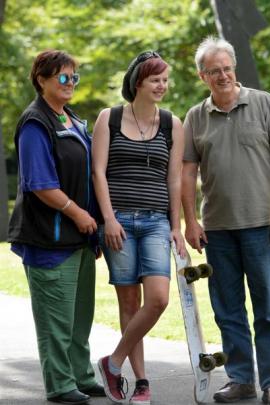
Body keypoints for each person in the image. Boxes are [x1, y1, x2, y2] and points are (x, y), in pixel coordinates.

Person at [182, 37, 270, 405]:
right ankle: (241, 379)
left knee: (267, 307)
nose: (222, 75)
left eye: (227, 68)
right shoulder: (195, 116)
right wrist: (190, 221)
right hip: (216, 229)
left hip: (261, 224)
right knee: (227, 309)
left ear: (235, 68)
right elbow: (187, 174)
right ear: (203, 76)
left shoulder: (264, 103)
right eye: (214, 71)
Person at [7, 50, 105, 405]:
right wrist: (77, 212)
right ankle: (60, 384)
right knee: (56, 321)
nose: (70, 84)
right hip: (50, 238)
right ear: (42, 79)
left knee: (80, 319)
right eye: (63, 77)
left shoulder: (71, 118)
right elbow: (39, 183)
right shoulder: (36, 122)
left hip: (80, 239)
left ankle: (82, 375)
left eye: (74, 77)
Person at [92, 51, 185, 404]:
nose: (162, 86)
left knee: (158, 299)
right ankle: (141, 382)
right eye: (155, 80)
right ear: (138, 83)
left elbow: (173, 178)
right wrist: (109, 219)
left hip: (155, 221)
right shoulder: (109, 118)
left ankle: (112, 363)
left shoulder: (171, 124)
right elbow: (98, 172)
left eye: (165, 79)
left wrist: (175, 226)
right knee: (129, 302)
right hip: (119, 223)